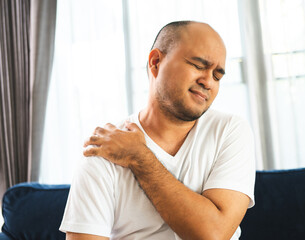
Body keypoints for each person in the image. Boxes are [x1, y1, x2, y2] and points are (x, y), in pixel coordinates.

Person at [60, 20, 255, 240]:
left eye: (217, 76)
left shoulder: (229, 131)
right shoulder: (104, 152)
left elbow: (214, 234)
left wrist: (139, 157)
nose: (208, 82)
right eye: (199, 66)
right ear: (155, 62)